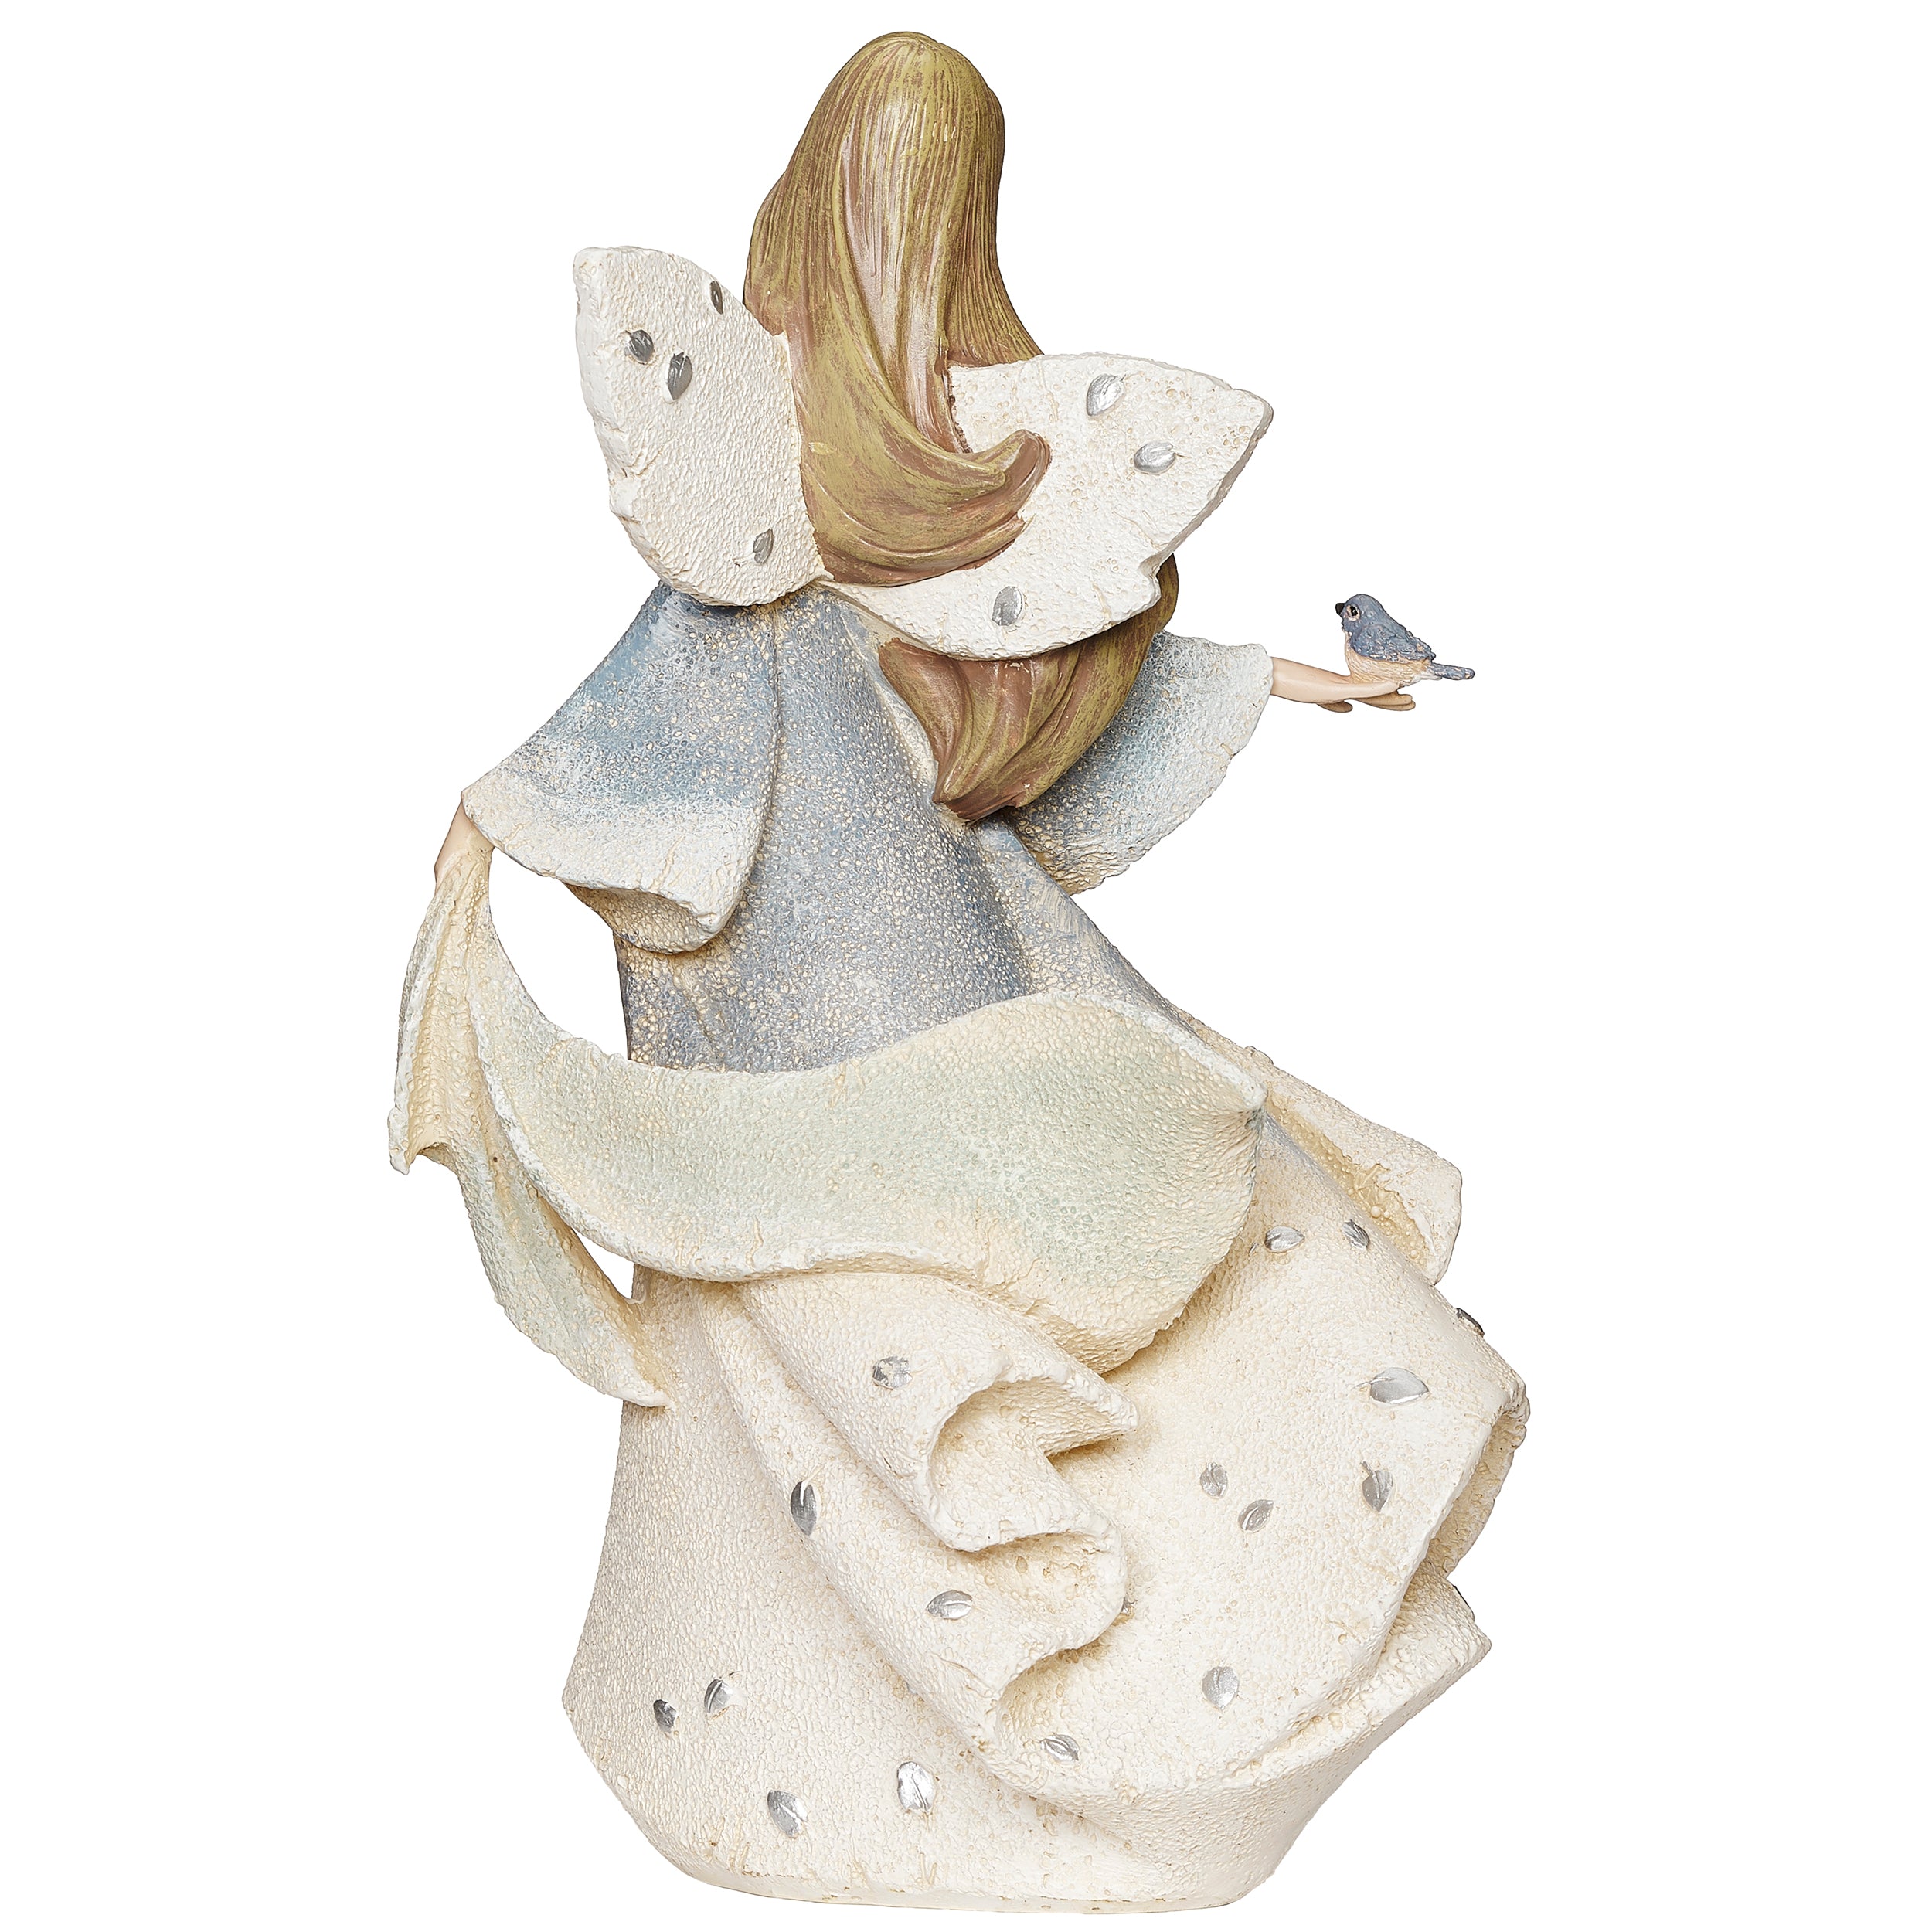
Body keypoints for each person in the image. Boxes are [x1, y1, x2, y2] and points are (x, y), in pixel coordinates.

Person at [394, 31, 1524, 1910]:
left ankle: (1051, 1730)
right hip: (877, 1039)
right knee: (909, 1352)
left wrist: (1266, 674)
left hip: (882, 1036)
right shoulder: (784, 521)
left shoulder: (897, 508)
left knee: (887, 1360)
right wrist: (510, 810)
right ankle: (1010, 1736)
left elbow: (1008, 664)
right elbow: (687, 716)